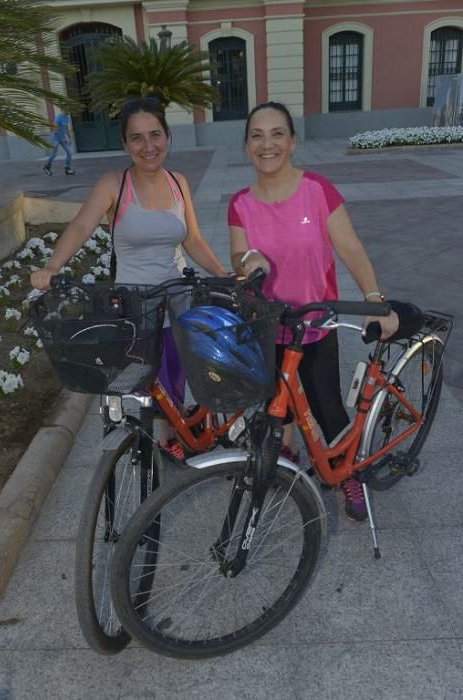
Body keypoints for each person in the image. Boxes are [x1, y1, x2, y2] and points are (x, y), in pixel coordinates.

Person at [228, 101, 399, 522]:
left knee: (327, 409)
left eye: (277, 134)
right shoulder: (241, 204)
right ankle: (284, 455)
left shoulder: (317, 190)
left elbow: (351, 248)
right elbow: (238, 254)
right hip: (269, 328)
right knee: (276, 406)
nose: (267, 144)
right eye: (257, 135)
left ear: (292, 141)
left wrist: (374, 300)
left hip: (315, 328)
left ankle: (346, 471)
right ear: (247, 145)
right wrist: (246, 262)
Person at [32, 96, 227, 458]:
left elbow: (193, 238)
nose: (148, 146)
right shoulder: (114, 184)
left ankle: (175, 430)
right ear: (125, 144)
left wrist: (222, 273)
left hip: (177, 292)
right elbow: (79, 226)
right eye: (137, 138)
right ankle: (164, 431)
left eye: (155, 134)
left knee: (177, 368)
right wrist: (52, 267)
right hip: (136, 303)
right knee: (149, 377)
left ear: (168, 136)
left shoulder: (177, 182)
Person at [43, 108, 76, 176]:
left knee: (70, 153)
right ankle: (46, 166)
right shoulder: (58, 117)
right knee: (54, 153)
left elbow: (66, 128)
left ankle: (67, 169)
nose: (69, 111)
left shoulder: (67, 118)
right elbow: (55, 128)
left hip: (62, 138)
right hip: (55, 138)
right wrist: (63, 138)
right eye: (67, 110)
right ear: (63, 109)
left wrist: (69, 138)